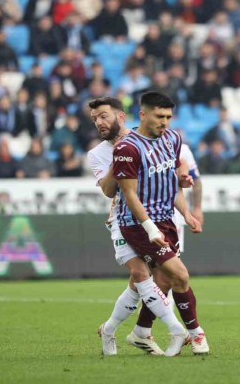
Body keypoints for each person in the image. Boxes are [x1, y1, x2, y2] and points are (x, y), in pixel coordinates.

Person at [87, 96, 203, 356]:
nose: (99, 123)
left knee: (154, 280)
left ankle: (116, 329)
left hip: (158, 218)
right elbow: (109, 191)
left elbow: (172, 173)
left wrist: (185, 205)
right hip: (123, 220)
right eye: (94, 119)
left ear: (120, 116)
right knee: (141, 274)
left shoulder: (150, 138)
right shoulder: (98, 154)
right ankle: (177, 330)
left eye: (103, 116)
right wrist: (119, 159)